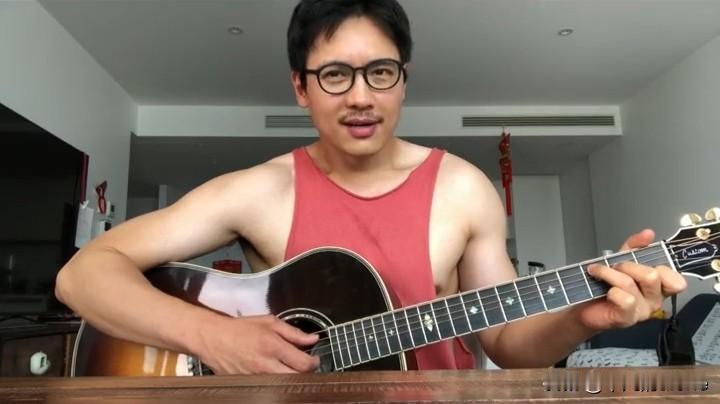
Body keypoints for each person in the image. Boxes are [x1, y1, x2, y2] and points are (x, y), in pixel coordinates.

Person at [55, 0, 687, 375]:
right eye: (335, 75)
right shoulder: (257, 192)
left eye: (380, 72)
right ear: (300, 87)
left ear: (403, 80)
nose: (361, 97)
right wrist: (211, 338)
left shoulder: (463, 190)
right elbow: (82, 275)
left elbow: (504, 343)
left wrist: (583, 318)